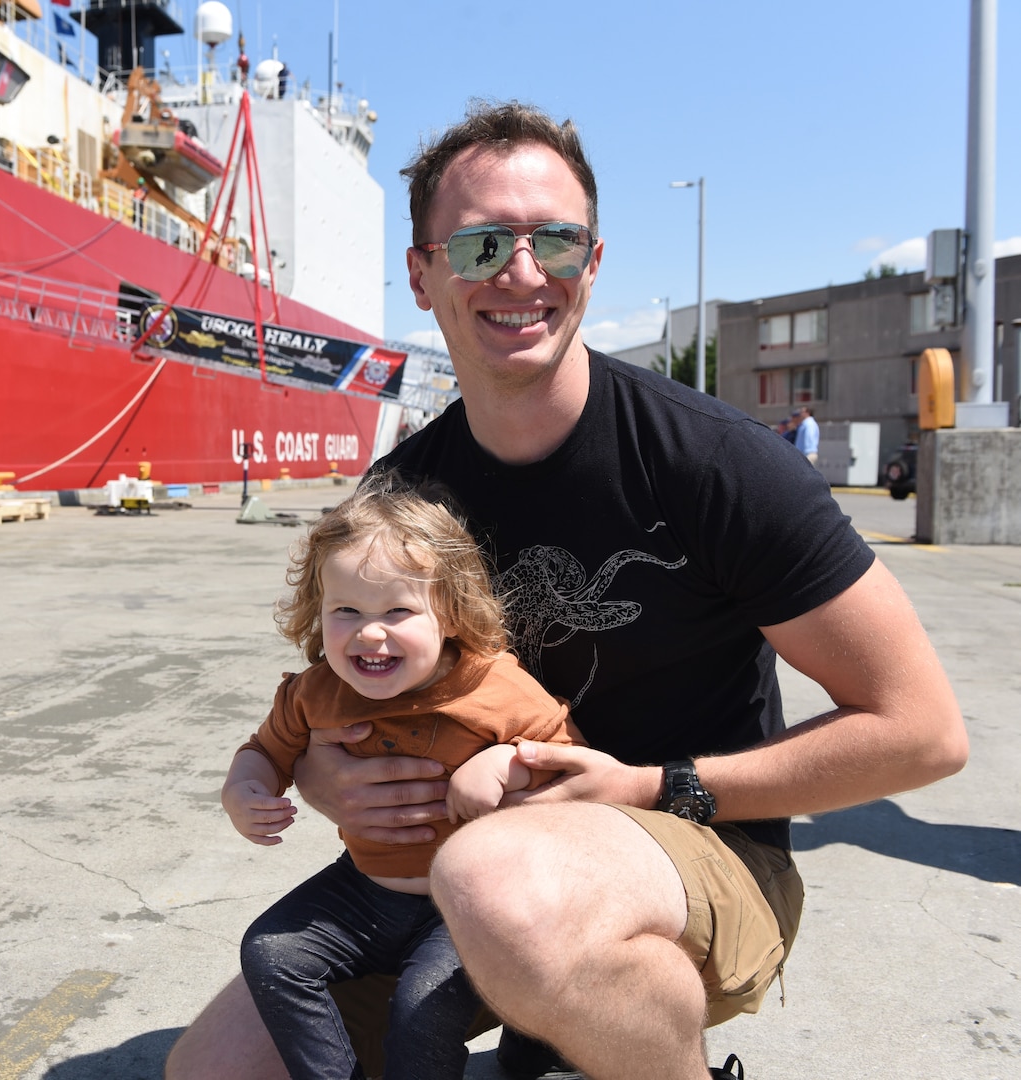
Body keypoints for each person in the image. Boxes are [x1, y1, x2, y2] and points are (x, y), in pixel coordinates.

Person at [166, 100, 966, 1080]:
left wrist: (651, 786)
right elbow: (333, 699)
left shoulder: (715, 466)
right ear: (421, 275)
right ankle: (546, 1021)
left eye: (555, 239)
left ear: (591, 264)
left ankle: (633, 1043)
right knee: (216, 1068)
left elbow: (922, 731)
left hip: (699, 846)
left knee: (499, 883)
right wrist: (323, 780)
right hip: (457, 881)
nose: (520, 269)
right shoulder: (397, 497)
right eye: (479, 243)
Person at [223, 479, 577, 1080]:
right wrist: (243, 789)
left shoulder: (495, 687)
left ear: (450, 612)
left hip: (470, 902)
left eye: (398, 611)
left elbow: (570, 760)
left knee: (420, 1013)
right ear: (319, 610)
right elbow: (266, 750)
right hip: (363, 890)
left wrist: (501, 762)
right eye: (347, 611)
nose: (370, 632)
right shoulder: (316, 693)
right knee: (272, 952)